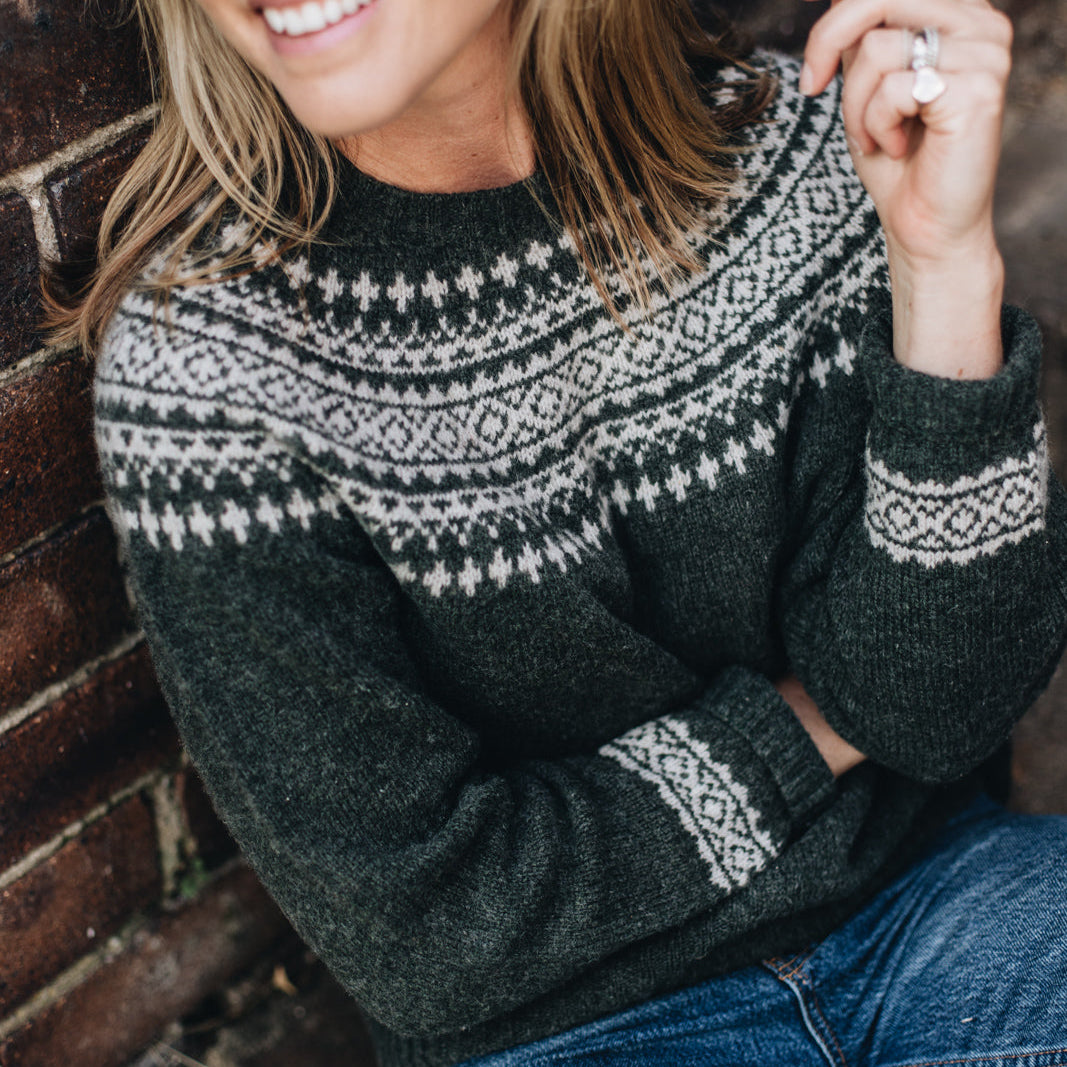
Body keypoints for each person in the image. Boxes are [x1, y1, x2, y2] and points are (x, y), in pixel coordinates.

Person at [46, 0, 1067, 1063]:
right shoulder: (207, 375)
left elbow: (936, 699)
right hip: (572, 1032)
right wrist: (812, 727)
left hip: (936, 905)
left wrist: (943, 266)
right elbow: (430, 932)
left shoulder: (802, 153)